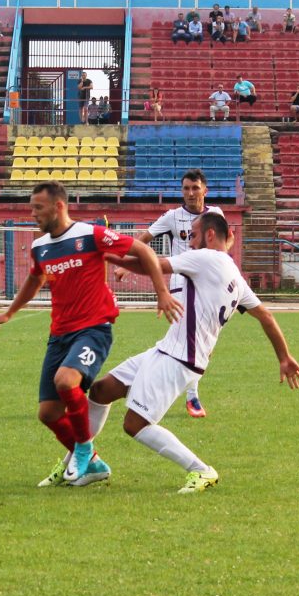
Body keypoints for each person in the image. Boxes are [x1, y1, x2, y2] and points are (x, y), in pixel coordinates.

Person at [0, 181, 180, 487]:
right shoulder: (40, 246)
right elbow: (35, 280)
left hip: (93, 329)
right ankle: (92, 463)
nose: (33, 213)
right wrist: (10, 312)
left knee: (66, 381)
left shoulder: (90, 234)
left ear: (58, 206)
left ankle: (84, 451)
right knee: (48, 414)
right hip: (59, 334)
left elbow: (142, 249)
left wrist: (162, 292)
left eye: (38, 207)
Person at [94, 212, 299, 493]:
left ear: (209, 235)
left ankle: (201, 470)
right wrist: (284, 356)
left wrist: (106, 253)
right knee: (101, 391)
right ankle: (83, 461)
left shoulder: (207, 257)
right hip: (167, 351)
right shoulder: (236, 278)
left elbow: (152, 265)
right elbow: (266, 316)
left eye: (192, 235)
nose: (189, 242)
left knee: (135, 424)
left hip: (179, 358)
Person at [114, 169, 225, 417]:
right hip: (181, 282)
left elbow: (223, 244)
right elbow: (143, 239)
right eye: (185, 188)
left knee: (204, 341)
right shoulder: (173, 217)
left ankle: (137, 378)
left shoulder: (216, 214)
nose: (190, 193)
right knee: (185, 339)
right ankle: (191, 396)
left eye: (195, 188)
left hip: (209, 282)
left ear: (204, 190)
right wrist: (124, 265)